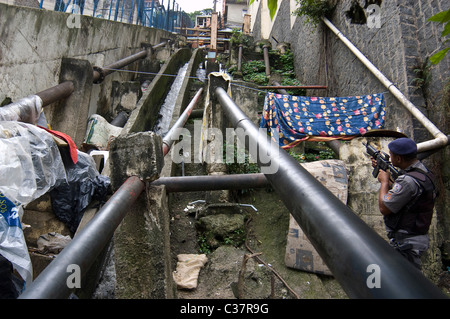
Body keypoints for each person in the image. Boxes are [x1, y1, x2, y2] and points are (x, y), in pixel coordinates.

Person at [372, 137, 437, 269]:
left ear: (399, 159)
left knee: (406, 285)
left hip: (407, 243)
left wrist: (384, 182)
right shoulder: (424, 173)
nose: (390, 158)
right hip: (416, 238)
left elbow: (384, 207)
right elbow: (405, 196)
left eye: (391, 155)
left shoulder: (407, 180)